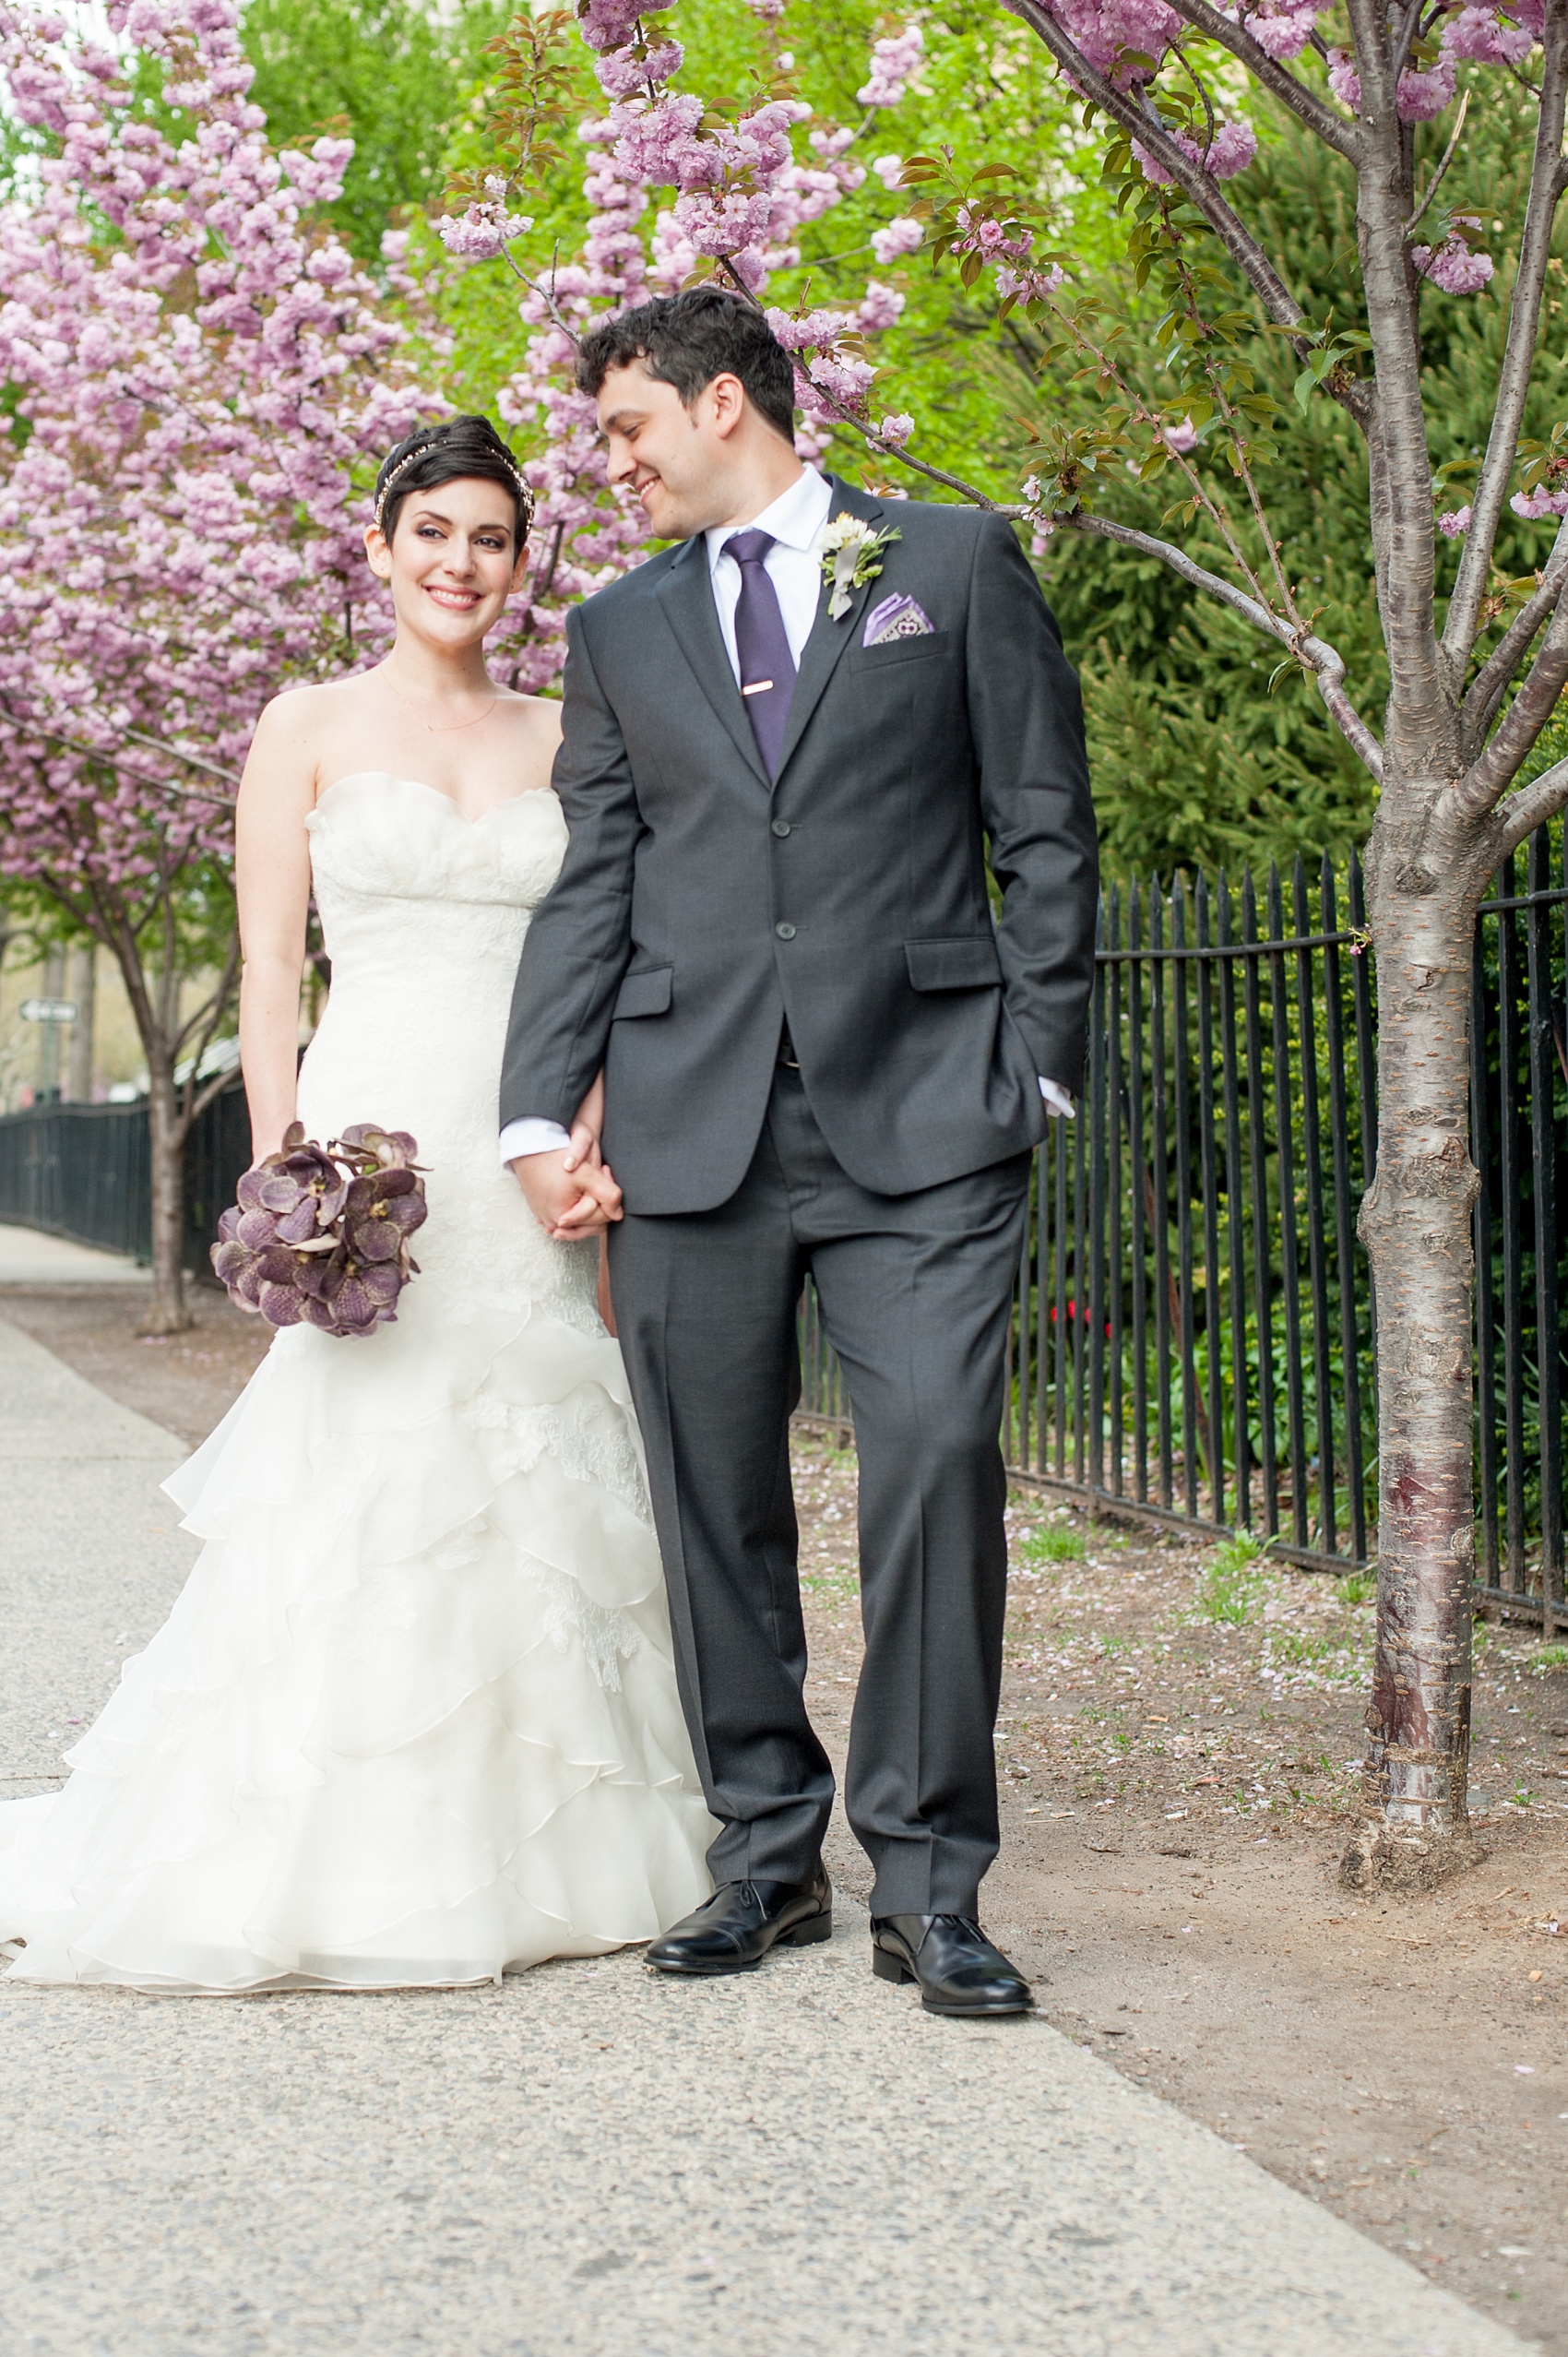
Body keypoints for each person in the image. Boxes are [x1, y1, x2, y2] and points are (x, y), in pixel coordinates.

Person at [0, 415, 714, 1993]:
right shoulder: (304, 723)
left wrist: (583, 1128)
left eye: (493, 538)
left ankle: (552, 1825)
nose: (462, 563)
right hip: (374, 1128)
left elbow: (601, 956)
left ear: (524, 566)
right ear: (380, 548)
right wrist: (288, 1164)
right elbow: (270, 970)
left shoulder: (563, 729)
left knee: (531, 1452)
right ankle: (342, 1837)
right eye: (434, 533)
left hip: (518, 1127)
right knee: (369, 1464)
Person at [501, 292, 1098, 2019]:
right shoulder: (618, 629)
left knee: (936, 1467)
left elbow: (1043, 824)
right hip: (691, 1122)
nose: (612, 465)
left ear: (722, 404)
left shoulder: (953, 562)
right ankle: (768, 1857)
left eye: (628, 429)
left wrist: (1039, 1066)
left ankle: (932, 1883)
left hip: (927, 1114)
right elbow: (595, 878)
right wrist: (540, 1114)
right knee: (716, 1512)